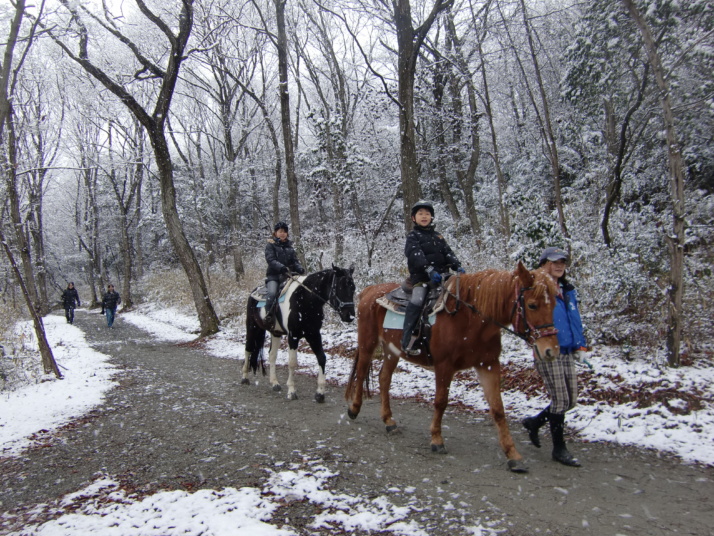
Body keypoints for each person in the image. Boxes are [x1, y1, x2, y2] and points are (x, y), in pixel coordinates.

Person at [522, 246, 588, 467]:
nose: (559, 265)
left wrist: (580, 346)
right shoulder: (537, 289)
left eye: (562, 262)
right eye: (554, 262)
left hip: (567, 348)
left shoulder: (567, 289)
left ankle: (535, 422)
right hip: (548, 350)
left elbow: (574, 318)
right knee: (560, 400)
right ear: (543, 264)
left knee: (571, 400)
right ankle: (559, 449)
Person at [402, 200, 465, 355]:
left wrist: (457, 265)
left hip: (443, 275)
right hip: (422, 278)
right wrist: (428, 269)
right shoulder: (413, 236)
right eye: (420, 213)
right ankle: (407, 340)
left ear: (432, 217)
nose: (424, 216)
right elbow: (415, 254)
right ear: (413, 218)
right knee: (417, 300)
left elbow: (447, 252)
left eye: (427, 213)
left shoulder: (438, 236)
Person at [264, 221, 305, 328]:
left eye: (285, 232)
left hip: (288, 276)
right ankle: (269, 315)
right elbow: (271, 260)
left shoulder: (289, 247)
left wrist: (299, 268)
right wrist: (281, 268)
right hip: (274, 277)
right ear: (275, 233)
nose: (283, 234)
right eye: (280, 231)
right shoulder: (270, 245)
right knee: (272, 293)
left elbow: (294, 261)